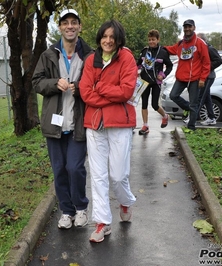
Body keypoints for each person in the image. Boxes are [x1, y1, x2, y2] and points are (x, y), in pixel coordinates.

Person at [32, 9, 93, 230]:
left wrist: (81, 90)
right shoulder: (48, 55)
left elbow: (96, 86)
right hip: (54, 123)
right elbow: (36, 81)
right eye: (65, 23)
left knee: (75, 167)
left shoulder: (89, 55)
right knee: (59, 169)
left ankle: (81, 208)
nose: (70, 26)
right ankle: (67, 211)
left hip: (78, 123)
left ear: (79, 26)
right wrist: (53, 83)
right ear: (60, 28)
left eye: (74, 22)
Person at [79, 19, 137, 243]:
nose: (108, 40)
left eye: (112, 37)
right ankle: (103, 222)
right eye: (104, 36)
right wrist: (106, 97)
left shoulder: (127, 58)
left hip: (120, 124)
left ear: (118, 39)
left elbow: (126, 91)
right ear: (99, 38)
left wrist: (101, 88)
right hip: (94, 124)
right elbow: (85, 92)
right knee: (98, 175)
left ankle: (126, 201)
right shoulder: (91, 60)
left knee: (118, 174)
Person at [165, 19, 210, 130]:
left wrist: (202, 79)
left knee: (194, 104)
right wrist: (159, 47)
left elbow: (206, 62)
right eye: (185, 27)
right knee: (173, 95)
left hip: (194, 79)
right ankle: (188, 108)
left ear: (194, 28)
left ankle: (191, 127)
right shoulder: (181, 43)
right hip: (181, 78)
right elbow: (171, 49)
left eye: (189, 27)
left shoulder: (200, 43)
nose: (187, 29)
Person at [136, 29, 173, 135]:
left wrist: (163, 74)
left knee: (154, 105)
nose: (151, 42)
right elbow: (138, 64)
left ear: (158, 40)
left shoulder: (163, 52)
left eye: (153, 39)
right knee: (144, 104)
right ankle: (145, 125)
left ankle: (165, 116)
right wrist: (137, 71)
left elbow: (170, 66)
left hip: (156, 82)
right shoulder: (144, 51)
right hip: (144, 81)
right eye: (149, 40)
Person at [196, 33, 222, 126]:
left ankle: (193, 118)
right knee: (207, 98)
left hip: (209, 76)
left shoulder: (209, 49)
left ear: (203, 40)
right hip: (203, 76)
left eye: (198, 40)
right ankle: (211, 117)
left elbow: (219, 60)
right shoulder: (201, 49)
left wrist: (207, 67)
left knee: (200, 97)